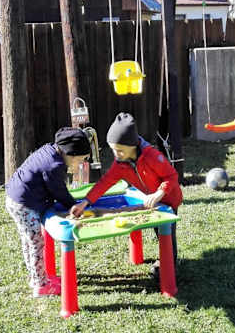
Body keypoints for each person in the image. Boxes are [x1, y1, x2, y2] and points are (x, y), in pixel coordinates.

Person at [72, 113, 182, 276]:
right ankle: (166, 258)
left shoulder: (152, 156)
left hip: (168, 198)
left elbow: (171, 176)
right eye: (113, 150)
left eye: (120, 150)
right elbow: (104, 183)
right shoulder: (120, 164)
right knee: (158, 229)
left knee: (166, 231)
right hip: (151, 201)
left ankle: (169, 265)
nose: (116, 154)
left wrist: (159, 193)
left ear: (133, 145)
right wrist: (86, 202)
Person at [5, 127, 91, 297]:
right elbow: (58, 191)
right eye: (80, 160)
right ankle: (41, 286)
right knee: (36, 243)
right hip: (24, 205)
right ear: (70, 154)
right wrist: (72, 206)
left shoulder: (49, 150)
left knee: (28, 241)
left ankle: (36, 277)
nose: (80, 164)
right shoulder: (54, 166)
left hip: (14, 199)